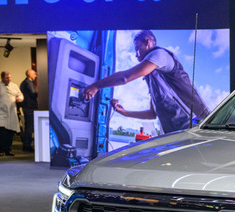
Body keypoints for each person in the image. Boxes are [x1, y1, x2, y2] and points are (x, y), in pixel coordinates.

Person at [82, 29, 210, 134]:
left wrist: (96, 86)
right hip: (177, 134)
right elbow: (152, 114)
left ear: (147, 42)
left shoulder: (160, 54)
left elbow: (124, 78)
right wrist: (125, 113)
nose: (136, 55)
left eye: (137, 49)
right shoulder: (152, 78)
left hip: (196, 129)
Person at [0, 71, 23, 157]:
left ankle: (8, 150)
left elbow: (20, 95)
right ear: (2, 78)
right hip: (0, 112)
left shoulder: (14, 86)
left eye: (9, 77)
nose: (9, 79)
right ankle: (1, 150)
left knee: (10, 131)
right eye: (7, 78)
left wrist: (19, 98)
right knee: (1, 131)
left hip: (11, 112)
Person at [20, 69, 38, 153]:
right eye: (34, 74)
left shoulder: (24, 82)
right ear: (29, 75)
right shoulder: (28, 83)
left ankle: (26, 145)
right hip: (30, 107)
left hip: (27, 107)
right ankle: (27, 146)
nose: (36, 75)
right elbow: (33, 94)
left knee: (28, 126)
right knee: (29, 127)